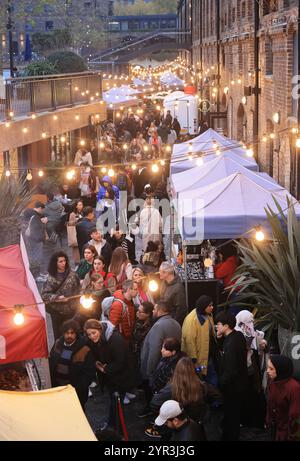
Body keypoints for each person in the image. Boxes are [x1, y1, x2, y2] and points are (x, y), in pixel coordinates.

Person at [84, 319, 134, 431]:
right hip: (112, 377)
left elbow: (121, 362)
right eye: (89, 334)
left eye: (93, 333)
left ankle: (117, 430)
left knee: (116, 405)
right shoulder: (99, 340)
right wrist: (96, 362)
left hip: (121, 378)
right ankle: (112, 426)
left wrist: (105, 369)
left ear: (100, 330)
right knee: (113, 403)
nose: (91, 337)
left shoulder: (115, 339)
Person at [140, 302, 181, 416]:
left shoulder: (158, 326)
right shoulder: (176, 323)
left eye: (155, 309)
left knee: (156, 397)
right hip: (170, 367)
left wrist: (149, 373)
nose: (153, 311)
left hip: (159, 369)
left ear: (161, 311)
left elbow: (153, 351)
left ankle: (153, 413)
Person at [216, 311, 248, 441]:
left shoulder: (230, 344)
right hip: (241, 384)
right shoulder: (238, 336)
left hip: (232, 388)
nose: (216, 327)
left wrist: (221, 383)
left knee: (231, 416)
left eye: (218, 324)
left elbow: (230, 369)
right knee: (234, 415)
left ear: (226, 326)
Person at [49, 319, 95, 409]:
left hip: (76, 392)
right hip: (58, 389)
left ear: (76, 334)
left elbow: (90, 372)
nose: (69, 335)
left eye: (72, 333)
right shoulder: (58, 344)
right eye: (67, 333)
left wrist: (79, 387)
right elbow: (51, 362)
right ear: (63, 333)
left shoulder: (84, 349)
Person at [235, 310, 267, 428]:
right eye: (248, 321)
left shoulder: (253, 332)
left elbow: (258, 349)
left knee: (253, 395)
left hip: (252, 370)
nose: (250, 324)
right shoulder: (236, 334)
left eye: (251, 321)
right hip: (242, 371)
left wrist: (261, 343)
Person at [42, 251, 80, 340]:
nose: (63, 263)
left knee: (72, 333)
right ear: (55, 263)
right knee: (58, 336)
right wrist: (57, 298)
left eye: (64, 261)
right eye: (60, 261)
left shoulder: (73, 275)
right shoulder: (51, 278)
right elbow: (45, 295)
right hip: (57, 313)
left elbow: (78, 289)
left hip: (71, 311)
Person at [181, 295, 219, 386]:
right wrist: (194, 360)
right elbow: (189, 342)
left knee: (211, 379)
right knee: (203, 381)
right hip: (199, 359)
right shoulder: (191, 320)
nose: (212, 307)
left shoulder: (208, 314)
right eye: (209, 306)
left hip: (209, 354)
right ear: (203, 306)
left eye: (212, 305)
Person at [266, 355, 300, 441]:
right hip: (277, 430)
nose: (267, 371)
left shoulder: (294, 388)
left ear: (280, 369)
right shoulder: (273, 383)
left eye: (271, 369)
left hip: (289, 433)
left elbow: (295, 416)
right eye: (268, 368)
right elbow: (270, 405)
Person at [23, 201, 48, 281]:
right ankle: (37, 276)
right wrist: (44, 223)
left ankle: (38, 274)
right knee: (37, 257)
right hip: (36, 241)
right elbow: (36, 230)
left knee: (34, 257)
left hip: (30, 240)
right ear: (40, 208)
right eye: (42, 209)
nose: (43, 211)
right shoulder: (35, 216)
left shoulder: (30, 214)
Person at [132, 301, 154, 370]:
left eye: (140, 311)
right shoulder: (139, 321)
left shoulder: (150, 327)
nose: (137, 313)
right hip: (136, 354)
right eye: (137, 310)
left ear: (148, 314)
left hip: (143, 355)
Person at [68, 200, 84, 264]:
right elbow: (69, 224)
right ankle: (77, 263)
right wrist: (76, 221)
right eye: (79, 205)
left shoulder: (83, 213)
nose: (81, 206)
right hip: (75, 234)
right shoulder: (72, 214)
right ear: (76, 206)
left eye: (81, 205)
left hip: (82, 233)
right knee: (76, 250)